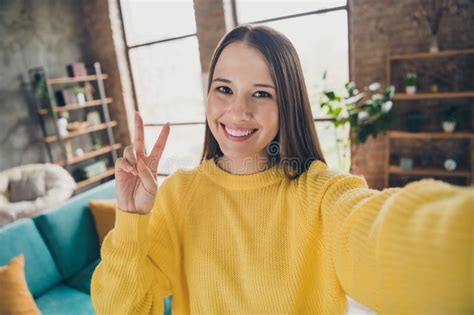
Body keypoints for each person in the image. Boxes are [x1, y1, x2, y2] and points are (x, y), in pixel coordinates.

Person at [91, 24, 473, 314]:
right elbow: (121, 308)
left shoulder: (324, 194)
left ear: (287, 102)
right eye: (224, 89)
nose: (238, 111)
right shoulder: (179, 195)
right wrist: (130, 218)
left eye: (261, 93)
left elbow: (387, 238)